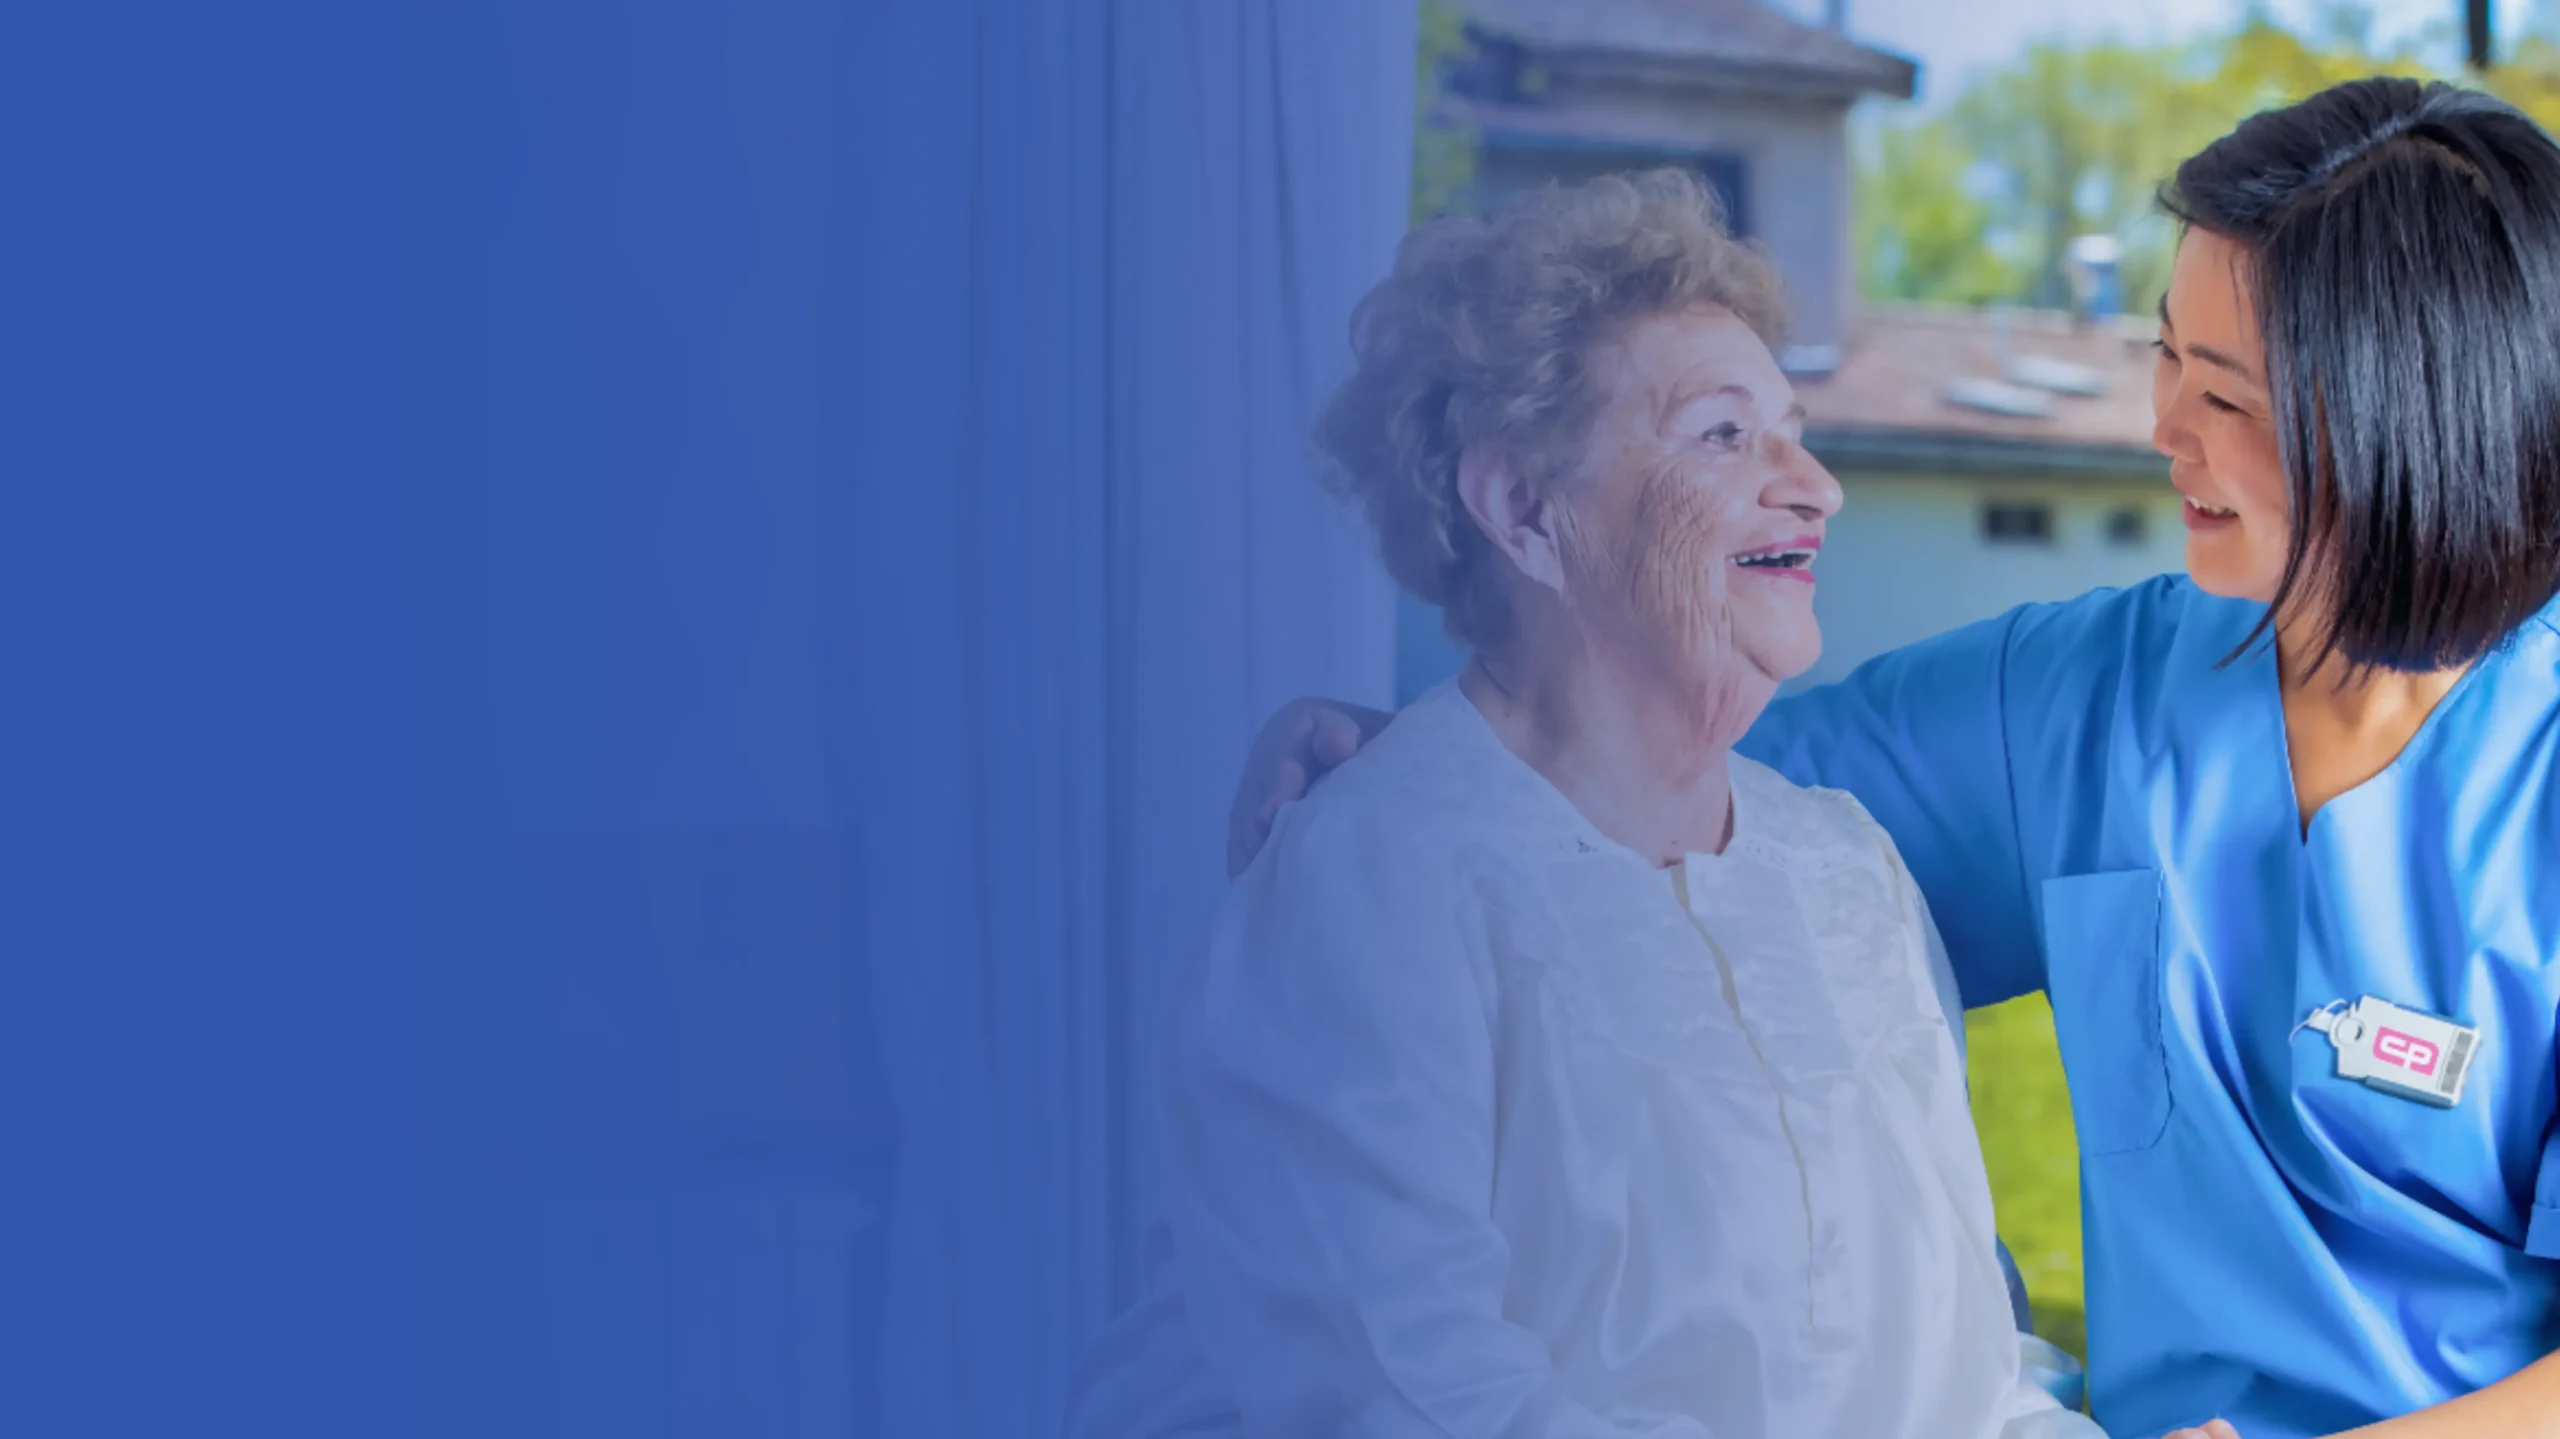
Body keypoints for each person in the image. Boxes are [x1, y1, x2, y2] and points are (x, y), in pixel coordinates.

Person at [1227, 78, 2560, 1439]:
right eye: (2165, 355)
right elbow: (1650, 774)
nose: (2162, 426)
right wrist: (1417, 756)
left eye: (2222, 394)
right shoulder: (2081, 699)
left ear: (2403, 427)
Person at [1068, 169, 2103, 1438]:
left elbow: (1968, 1371)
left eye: (1793, 427)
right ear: (1521, 507)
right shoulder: (1370, 879)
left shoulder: (1844, 869)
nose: (1815, 485)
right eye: (1723, 433)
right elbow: (1408, 1397)